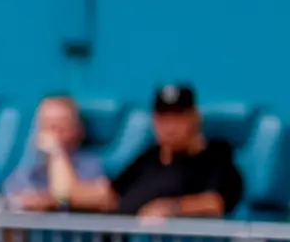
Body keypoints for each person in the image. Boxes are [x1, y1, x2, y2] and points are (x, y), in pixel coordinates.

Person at [104, 83, 246, 219]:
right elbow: (112, 194)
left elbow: (214, 203)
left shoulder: (215, 156)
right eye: (163, 119)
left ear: (195, 117)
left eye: (178, 118)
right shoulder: (150, 156)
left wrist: (170, 208)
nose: (170, 128)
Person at [3, 94, 113, 210]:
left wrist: (56, 153)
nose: (53, 129)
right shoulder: (28, 168)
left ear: (78, 129)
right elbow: (15, 201)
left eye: (62, 122)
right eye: (47, 122)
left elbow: (65, 195)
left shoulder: (90, 164)